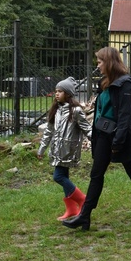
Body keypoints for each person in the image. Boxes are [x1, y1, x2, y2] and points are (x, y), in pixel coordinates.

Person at [63, 47, 131, 230]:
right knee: (96, 174)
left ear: (109, 62)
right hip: (103, 135)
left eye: (100, 62)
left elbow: (124, 116)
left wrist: (118, 142)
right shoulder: (105, 82)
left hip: (121, 136)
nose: (97, 66)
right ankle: (85, 216)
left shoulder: (125, 84)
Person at [37, 77, 92, 220]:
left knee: (58, 176)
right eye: (56, 91)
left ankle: (82, 200)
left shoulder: (76, 111)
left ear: (68, 93)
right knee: (64, 176)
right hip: (56, 150)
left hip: (68, 151)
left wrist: (98, 142)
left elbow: (87, 129)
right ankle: (72, 209)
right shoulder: (56, 110)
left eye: (60, 91)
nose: (56, 94)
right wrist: (42, 148)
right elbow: (49, 131)